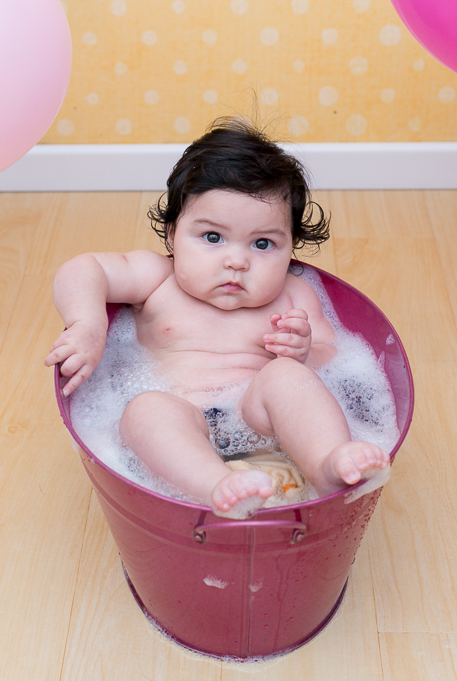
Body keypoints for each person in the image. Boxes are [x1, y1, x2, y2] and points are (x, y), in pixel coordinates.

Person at [44, 118, 391, 518]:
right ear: (173, 234)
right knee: (146, 409)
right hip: (181, 419)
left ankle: (329, 463)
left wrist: (306, 352)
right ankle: (216, 487)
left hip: (263, 424)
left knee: (288, 378)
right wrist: (89, 324)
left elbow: (337, 357)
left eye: (263, 243)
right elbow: (82, 270)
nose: (236, 261)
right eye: (212, 237)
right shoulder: (157, 279)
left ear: (291, 247)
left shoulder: (295, 294)